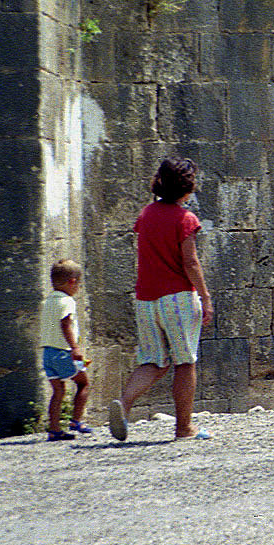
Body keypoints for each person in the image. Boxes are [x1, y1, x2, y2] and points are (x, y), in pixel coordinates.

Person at [108, 157, 214, 441]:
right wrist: (205, 296)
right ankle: (184, 428)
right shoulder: (186, 219)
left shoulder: (146, 214)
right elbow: (190, 262)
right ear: (187, 188)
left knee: (153, 360)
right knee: (184, 362)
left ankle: (124, 403)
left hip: (146, 300)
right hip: (178, 299)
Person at [39, 259, 91, 441]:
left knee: (58, 391)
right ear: (72, 281)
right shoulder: (67, 301)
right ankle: (76, 421)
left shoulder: (48, 301)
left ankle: (54, 429)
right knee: (84, 383)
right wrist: (75, 348)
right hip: (63, 351)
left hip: (48, 353)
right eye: (79, 284)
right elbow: (65, 324)